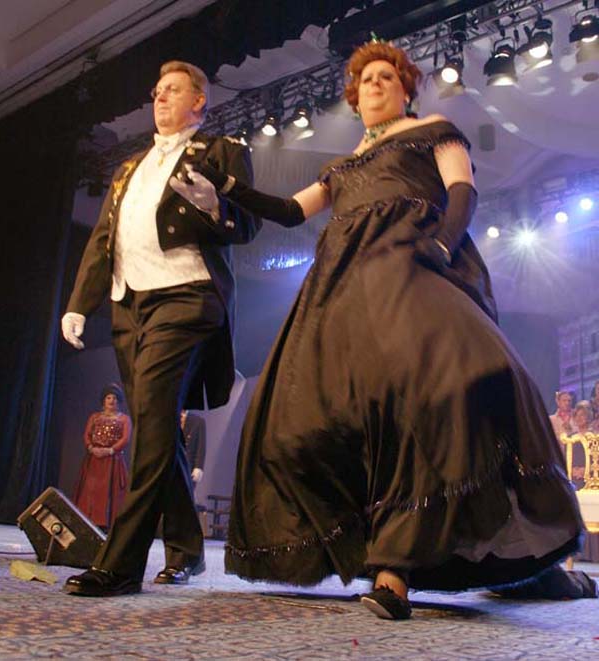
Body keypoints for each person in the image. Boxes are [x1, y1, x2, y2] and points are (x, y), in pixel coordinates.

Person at [179, 40, 585, 620]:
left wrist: (440, 246)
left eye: (384, 78)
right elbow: (293, 212)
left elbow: (462, 190)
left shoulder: (432, 129)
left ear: (405, 88)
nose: (372, 85)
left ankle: (417, 569)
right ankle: (381, 558)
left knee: (462, 378)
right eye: (364, 80)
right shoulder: (341, 166)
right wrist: (229, 191)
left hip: (410, 266)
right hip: (343, 290)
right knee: (303, 420)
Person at [60, 60, 261, 597]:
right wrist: (81, 302)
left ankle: (120, 563)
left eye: (173, 90)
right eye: (157, 91)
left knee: (152, 424)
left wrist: (213, 205)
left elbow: (247, 225)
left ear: (200, 101)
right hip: (130, 304)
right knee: (156, 426)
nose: (161, 97)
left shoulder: (222, 152)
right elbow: (104, 237)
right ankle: (187, 551)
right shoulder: (130, 167)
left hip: (189, 297)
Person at [73, 383, 130, 530]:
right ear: (103, 401)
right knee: (90, 490)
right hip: (94, 460)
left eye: (115, 398)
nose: (112, 401)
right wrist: (92, 448)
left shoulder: (124, 419)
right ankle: (87, 520)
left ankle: (106, 524)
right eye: (109, 397)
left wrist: (110, 450)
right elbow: (87, 435)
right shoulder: (94, 417)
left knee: (110, 493)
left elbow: (125, 439)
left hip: (112, 461)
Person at [180, 409, 206, 495]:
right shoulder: (169, 418)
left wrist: (198, 467)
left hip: (188, 466)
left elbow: (201, 446)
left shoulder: (197, 422)